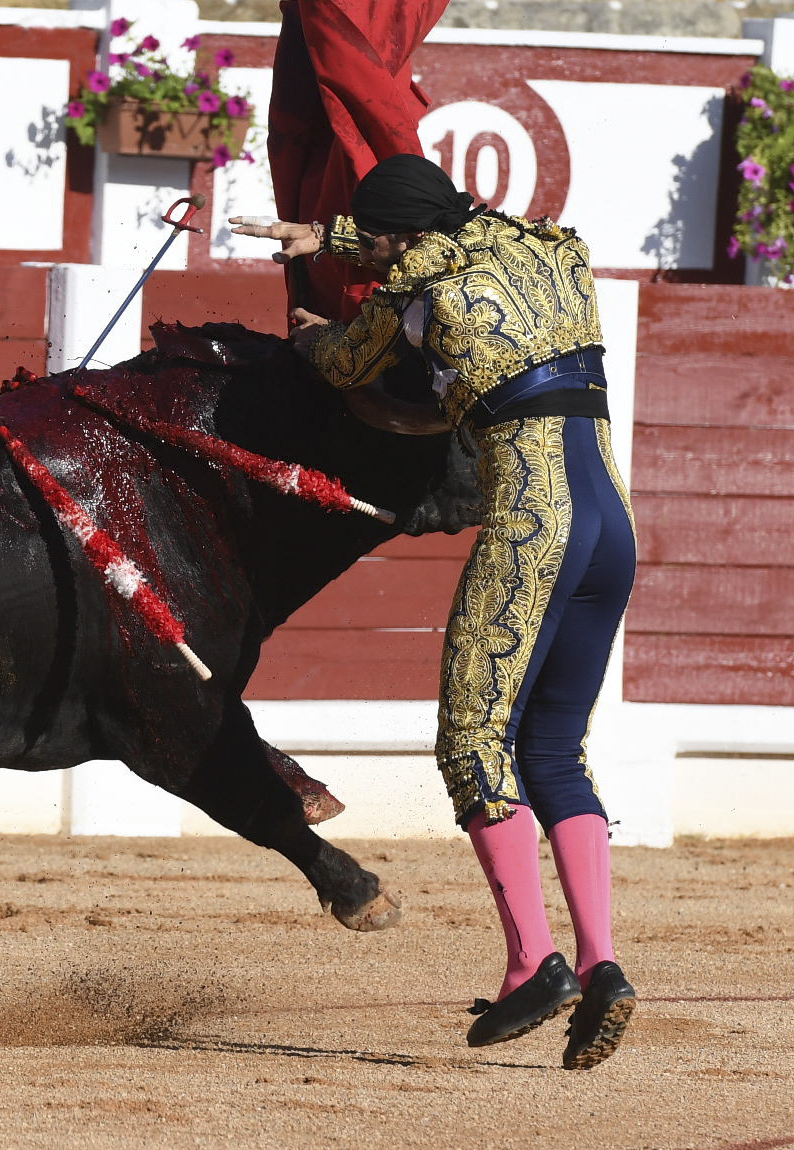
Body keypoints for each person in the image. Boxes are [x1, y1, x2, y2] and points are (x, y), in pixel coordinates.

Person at [230, 153, 637, 1070]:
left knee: (473, 744)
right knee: (553, 750)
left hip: (535, 523)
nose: (371, 255)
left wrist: (310, 336)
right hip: (612, 523)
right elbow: (437, 238)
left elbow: (349, 360)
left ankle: (533, 963)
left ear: (399, 237)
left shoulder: (415, 291)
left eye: (373, 241)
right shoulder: (544, 247)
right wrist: (325, 236)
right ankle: (602, 963)